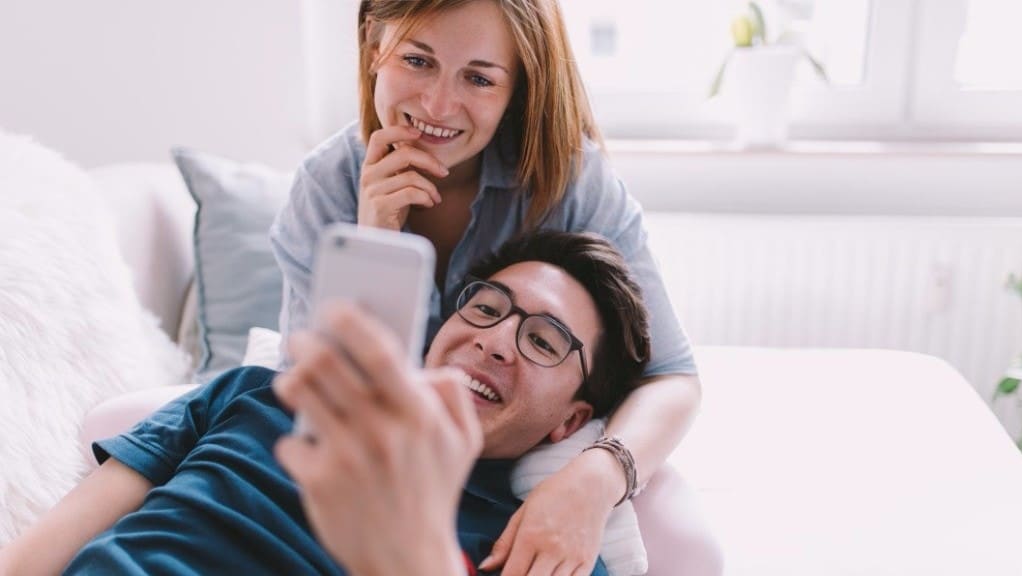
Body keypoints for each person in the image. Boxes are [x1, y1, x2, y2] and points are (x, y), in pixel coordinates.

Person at [270, 1, 710, 571]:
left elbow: (673, 377)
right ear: (374, 46)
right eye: (417, 59)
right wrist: (375, 240)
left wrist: (593, 480)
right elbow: (329, 414)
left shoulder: (573, 181)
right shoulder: (326, 185)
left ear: (517, 91)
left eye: (478, 78)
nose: (437, 105)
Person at [0, 231, 650, 575]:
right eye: (485, 308)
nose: (495, 341)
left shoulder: (545, 549)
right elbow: (38, 554)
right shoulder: (252, 392)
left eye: (543, 340)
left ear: (570, 421)